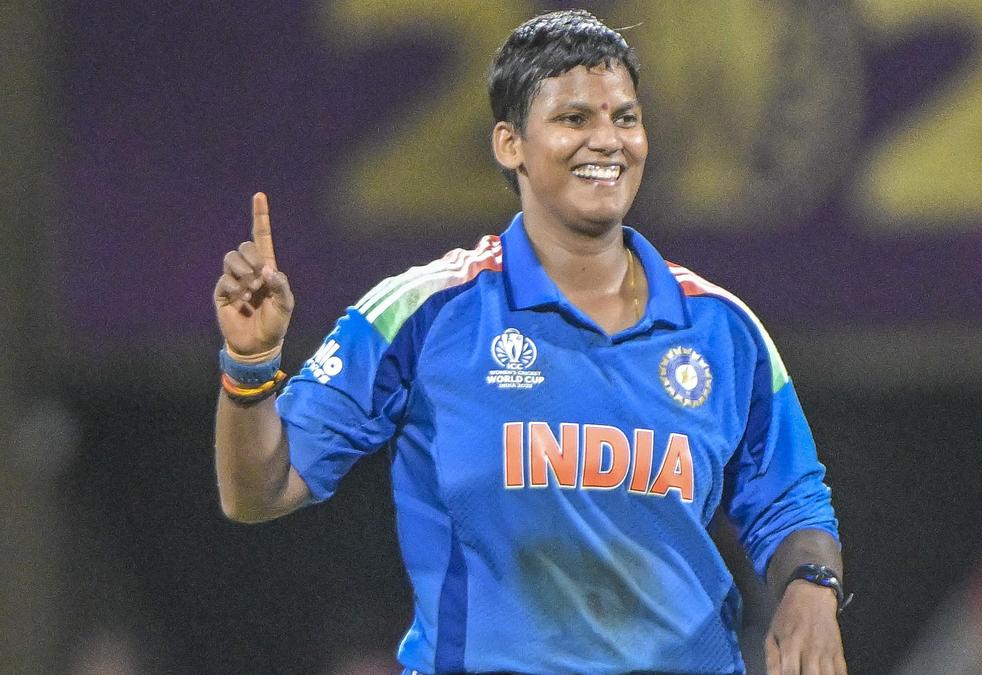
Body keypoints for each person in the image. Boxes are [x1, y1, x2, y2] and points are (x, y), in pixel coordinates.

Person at [212, 10, 847, 675]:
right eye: (574, 118)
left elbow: (792, 501)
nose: (608, 140)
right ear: (510, 143)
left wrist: (811, 588)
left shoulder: (722, 327)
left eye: (625, 118)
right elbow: (259, 491)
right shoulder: (426, 313)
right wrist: (251, 364)